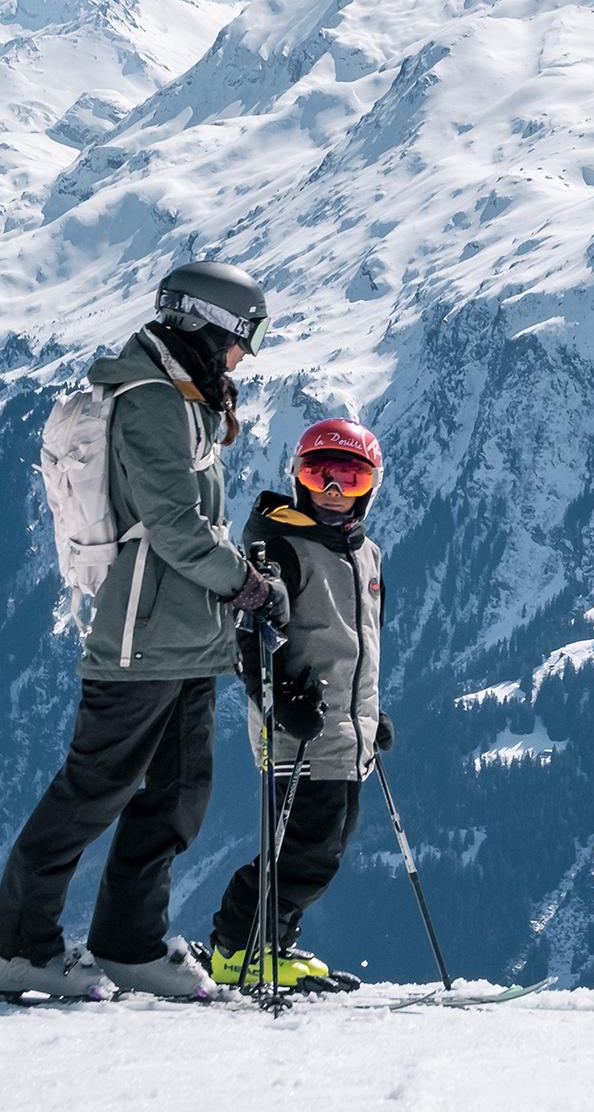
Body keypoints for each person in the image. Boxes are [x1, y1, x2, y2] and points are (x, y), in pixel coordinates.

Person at [0, 261, 291, 999]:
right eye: (239, 339)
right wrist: (247, 584)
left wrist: (231, 580)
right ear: (203, 325)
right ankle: (20, 947)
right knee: (95, 788)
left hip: (188, 634)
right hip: (142, 633)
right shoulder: (153, 399)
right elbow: (174, 526)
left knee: (180, 793)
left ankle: (128, 944)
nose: (241, 356)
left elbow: (191, 525)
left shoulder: (183, 393)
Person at [208, 416, 389, 990]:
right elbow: (248, 637)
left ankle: (274, 943)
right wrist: (280, 698)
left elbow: (357, 644)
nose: (333, 491)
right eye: (320, 474)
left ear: (370, 487)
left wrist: (369, 715)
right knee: (304, 849)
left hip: (344, 732)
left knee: (324, 847)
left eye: (350, 479)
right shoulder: (281, 547)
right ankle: (239, 950)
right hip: (299, 727)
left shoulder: (366, 554)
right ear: (298, 478)